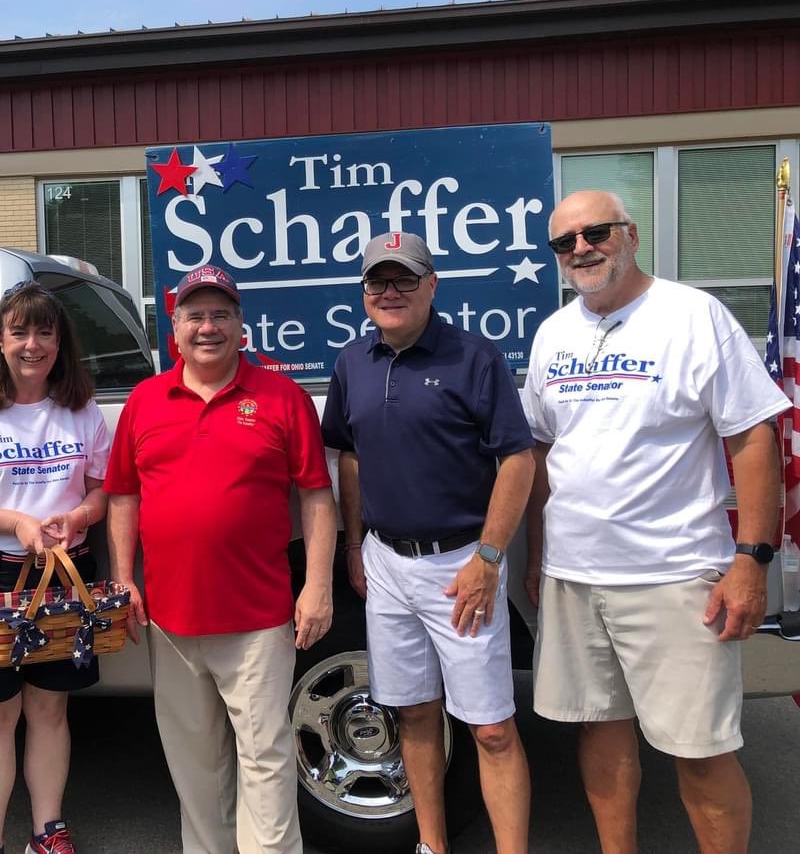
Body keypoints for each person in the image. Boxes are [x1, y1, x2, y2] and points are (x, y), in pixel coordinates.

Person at [522, 190, 788, 854]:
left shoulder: (693, 316)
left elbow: (752, 440)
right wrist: (534, 557)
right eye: (564, 242)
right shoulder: (554, 333)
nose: (581, 249)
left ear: (630, 233)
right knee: (599, 733)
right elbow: (541, 452)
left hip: (673, 576)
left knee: (700, 751)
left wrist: (751, 560)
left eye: (595, 232)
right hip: (573, 577)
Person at [105, 264, 337, 854]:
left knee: (266, 758)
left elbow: (315, 494)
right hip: (170, 618)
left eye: (220, 315)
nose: (207, 327)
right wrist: (124, 578)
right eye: (194, 316)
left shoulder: (281, 397)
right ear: (174, 329)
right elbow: (124, 495)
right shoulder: (144, 400)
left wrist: (317, 586)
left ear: (241, 326)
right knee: (195, 764)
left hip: (258, 617)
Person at [321, 232, 535, 854]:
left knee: (491, 728)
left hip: (460, 566)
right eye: (377, 282)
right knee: (413, 713)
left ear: (432, 286)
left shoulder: (474, 356)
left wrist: (489, 558)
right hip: (386, 562)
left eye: (405, 280)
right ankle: (431, 845)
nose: (390, 292)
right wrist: (354, 546)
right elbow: (351, 456)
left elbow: (518, 461)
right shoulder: (352, 362)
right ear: (364, 294)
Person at [0, 281, 111, 854]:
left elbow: (105, 488)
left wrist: (78, 515)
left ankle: (48, 832)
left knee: (50, 710)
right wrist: (18, 524)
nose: (33, 344)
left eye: (45, 332)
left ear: (61, 342)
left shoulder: (82, 410)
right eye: (20, 332)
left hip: (63, 577)